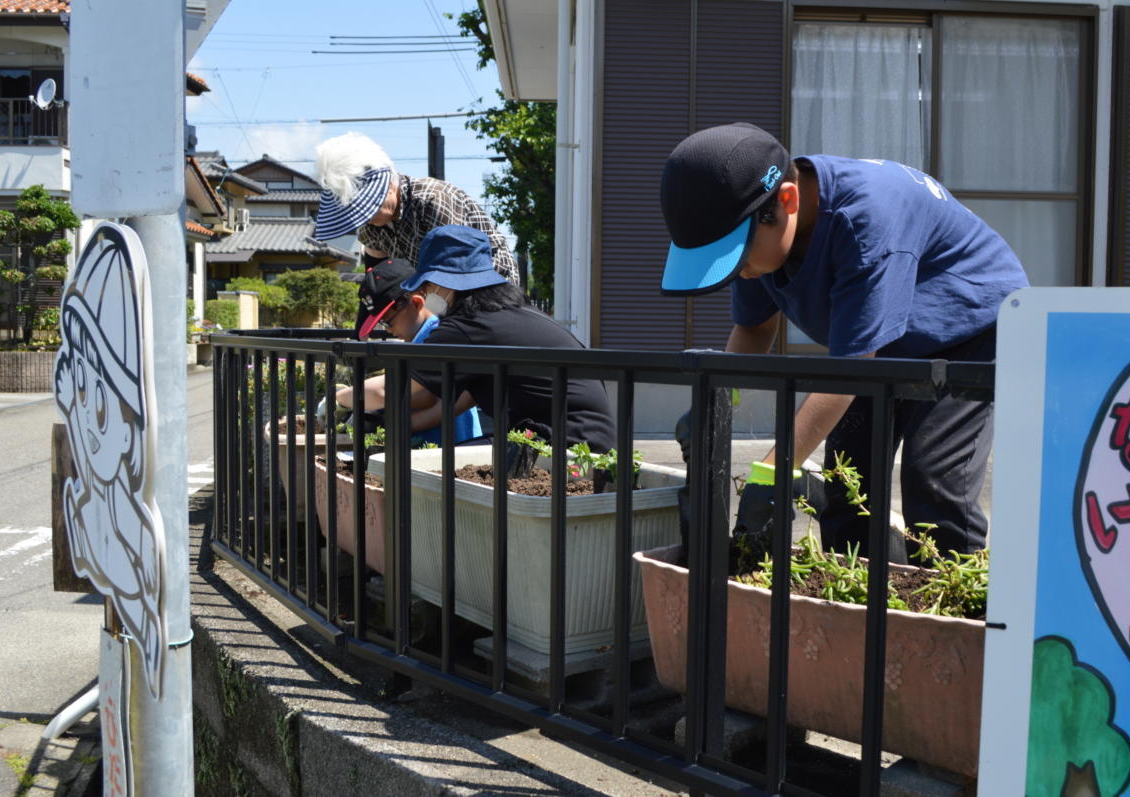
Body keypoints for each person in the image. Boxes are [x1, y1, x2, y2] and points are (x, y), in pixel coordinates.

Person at [658, 122, 1028, 563]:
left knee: (932, 479)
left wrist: (772, 473)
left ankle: (952, 620)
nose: (739, 273)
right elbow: (756, 328)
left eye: (736, 257)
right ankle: (859, 615)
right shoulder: (761, 222)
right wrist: (718, 402)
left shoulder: (865, 219)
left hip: (971, 328)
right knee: (848, 485)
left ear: (787, 201)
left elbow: (851, 367)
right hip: (880, 346)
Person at [340, 224, 616, 454]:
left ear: (446, 282)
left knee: (436, 474)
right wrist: (397, 427)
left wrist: (336, 399)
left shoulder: (467, 327)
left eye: (427, 283)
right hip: (593, 444)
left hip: (562, 447)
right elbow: (456, 404)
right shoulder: (511, 315)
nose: (426, 292)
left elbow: (384, 391)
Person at [312, 131, 520, 324]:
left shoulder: (433, 201)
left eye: (368, 207)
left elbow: (455, 275)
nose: (366, 218)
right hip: (438, 294)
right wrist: (362, 333)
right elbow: (377, 281)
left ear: (390, 184)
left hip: (489, 287)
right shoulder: (372, 225)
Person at [328, 256, 484, 448]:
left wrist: (341, 397)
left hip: (454, 451)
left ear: (417, 303)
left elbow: (410, 395)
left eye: (388, 321)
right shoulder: (417, 341)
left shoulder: (437, 338)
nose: (386, 329)